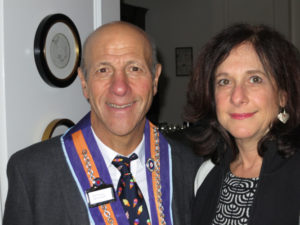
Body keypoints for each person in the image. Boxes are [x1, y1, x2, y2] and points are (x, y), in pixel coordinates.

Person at [3, 21, 201, 225]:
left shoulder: (190, 166)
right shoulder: (33, 173)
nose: (120, 88)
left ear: (155, 79)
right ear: (84, 82)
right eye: (103, 70)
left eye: (134, 68)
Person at [184, 23, 300, 225]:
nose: (237, 97)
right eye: (224, 81)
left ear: (282, 95)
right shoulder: (206, 174)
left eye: (254, 79)